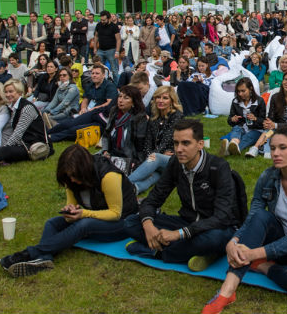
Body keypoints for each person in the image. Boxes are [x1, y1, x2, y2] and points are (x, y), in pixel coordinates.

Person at [202, 127, 287, 313]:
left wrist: (253, 255)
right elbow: (253, 218)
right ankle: (226, 292)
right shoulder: (267, 177)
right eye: (272, 148)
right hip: (280, 242)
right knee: (260, 215)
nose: (276, 153)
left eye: (282, 148)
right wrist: (234, 240)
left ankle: (263, 267)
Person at [0, 144, 138, 277]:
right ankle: (44, 259)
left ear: (84, 171)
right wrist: (69, 212)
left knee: (84, 225)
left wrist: (84, 213)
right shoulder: (70, 181)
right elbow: (71, 206)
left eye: (74, 176)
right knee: (52, 223)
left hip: (124, 222)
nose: (72, 179)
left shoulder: (108, 176)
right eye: (69, 176)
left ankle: (29, 254)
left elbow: (115, 213)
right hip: (97, 219)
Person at [123, 119, 241, 272]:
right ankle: (197, 253)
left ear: (200, 144)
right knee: (130, 222)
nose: (179, 149)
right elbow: (153, 199)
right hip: (187, 221)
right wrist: (148, 226)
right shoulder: (175, 164)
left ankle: (157, 252)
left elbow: (221, 217)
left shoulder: (218, 167)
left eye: (186, 143)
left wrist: (178, 234)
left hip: (216, 227)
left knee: (215, 239)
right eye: (176, 143)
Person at [0, 79, 52, 167]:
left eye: (11, 91)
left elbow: (18, 133)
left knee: (5, 151)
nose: (8, 94)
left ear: (19, 92)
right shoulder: (12, 107)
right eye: (6, 92)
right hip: (22, 143)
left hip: (35, 145)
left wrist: (5, 147)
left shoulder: (27, 108)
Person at [127, 86, 184, 193]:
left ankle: (124, 183)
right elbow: (147, 142)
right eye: (158, 97)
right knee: (156, 175)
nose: (160, 101)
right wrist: (150, 155)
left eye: (165, 98)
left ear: (172, 101)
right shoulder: (154, 117)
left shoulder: (177, 116)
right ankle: (134, 189)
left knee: (156, 158)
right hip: (159, 160)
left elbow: (168, 138)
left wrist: (155, 154)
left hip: (176, 159)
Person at [246, 71, 287, 158]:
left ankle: (268, 148)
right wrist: (268, 122)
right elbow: (271, 117)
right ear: (282, 81)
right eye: (286, 79)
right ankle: (255, 148)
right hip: (280, 125)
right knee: (269, 129)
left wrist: (275, 125)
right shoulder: (275, 97)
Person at [48, 65, 117, 142]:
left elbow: (109, 103)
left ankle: (50, 137)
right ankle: (45, 134)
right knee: (67, 123)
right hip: (88, 113)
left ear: (103, 75)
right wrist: (83, 108)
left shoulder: (109, 86)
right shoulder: (91, 85)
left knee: (75, 129)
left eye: (97, 73)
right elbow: (85, 100)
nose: (94, 75)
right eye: (93, 73)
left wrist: (95, 108)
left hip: (99, 115)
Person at [99, 85, 149, 176]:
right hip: (112, 152)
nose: (121, 100)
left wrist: (137, 161)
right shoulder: (114, 111)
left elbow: (140, 144)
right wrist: (105, 151)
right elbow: (106, 134)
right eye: (120, 96)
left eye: (126, 98)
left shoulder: (139, 117)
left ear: (134, 102)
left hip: (129, 156)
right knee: (90, 163)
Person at [219, 78, 266, 157]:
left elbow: (263, 122)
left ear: (250, 89)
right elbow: (229, 120)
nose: (240, 94)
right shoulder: (235, 101)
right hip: (241, 127)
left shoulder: (259, 101)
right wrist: (232, 119)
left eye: (243, 91)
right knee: (236, 129)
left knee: (248, 137)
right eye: (238, 91)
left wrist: (255, 119)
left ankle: (230, 149)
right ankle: (234, 142)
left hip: (255, 129)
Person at [94, 10, 121, 78]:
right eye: (101, 20)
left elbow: (118, 39)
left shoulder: (114, 26)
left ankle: (116, 86)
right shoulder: (99, 25)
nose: (102, 22)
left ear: (109, 19)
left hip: (111, 50)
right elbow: (96, 36)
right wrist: (95, 48)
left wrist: (117, 51)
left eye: (104, 20)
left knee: (114, 69)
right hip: (100, 50)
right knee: (98, 68)